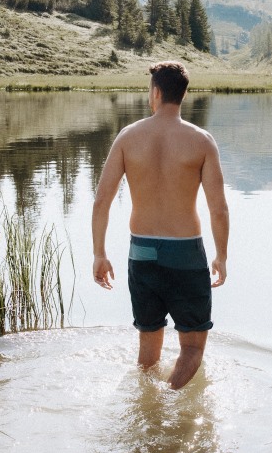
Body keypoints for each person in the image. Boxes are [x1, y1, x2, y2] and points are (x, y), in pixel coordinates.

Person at [91, 61, 229, 390]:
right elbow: (218, 208)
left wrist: (99, 253)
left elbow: (101, 200)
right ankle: (169, 400)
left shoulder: (128, 137)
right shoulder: (201, 141)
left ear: (155, 93)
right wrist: (221, 256)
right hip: (185, 253)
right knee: (192, 348)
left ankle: (149, 412)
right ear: (182, 95)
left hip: (141, 253)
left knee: (148, 356)